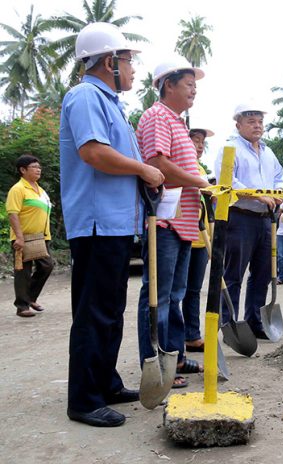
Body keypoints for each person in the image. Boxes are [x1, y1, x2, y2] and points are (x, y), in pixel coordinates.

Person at [59, 22, 165, 427]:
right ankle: (84, 399)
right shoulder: (86, 96)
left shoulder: (110, 103)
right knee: (95, 312)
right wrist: (144, 169)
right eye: (128, 61)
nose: (134, 70)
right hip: (98, 223)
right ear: (109, 62)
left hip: (117, 224)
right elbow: (93, 153)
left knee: (110, 310)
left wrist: (143, 176)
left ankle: (105, 382)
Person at [136, 57, 208, 387]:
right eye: (188, 84)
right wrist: (202, 183)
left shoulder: (177, 122)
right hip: (165, 221)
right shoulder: (156, 117)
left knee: (174, 295)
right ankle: (155, 363)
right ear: (169, 85)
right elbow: (156, 163)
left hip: (184, 222)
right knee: (158, 295)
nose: (194, 90)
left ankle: (174, 356)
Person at [213, 102, 283, 339]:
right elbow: (228, 181)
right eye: (251, 121)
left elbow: (279, 177)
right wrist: (258, 194)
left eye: (260, 121)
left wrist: (278, 191)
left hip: (266, 219)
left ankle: (255, 322)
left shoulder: (268, 151)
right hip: (240, 218)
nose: (257, 126)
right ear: (238, 124)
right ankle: (229, 324)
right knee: (233, 274)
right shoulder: (229, 148)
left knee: (262, 274)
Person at [6, 154, 54, 317]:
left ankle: (30, 297)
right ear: (23, 170)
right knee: (23, 271)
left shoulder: (40, 190)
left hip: (41, 237)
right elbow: (13, 213)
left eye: (39, 167)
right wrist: (19, 237)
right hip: (24, 237)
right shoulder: (18, 189)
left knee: (47, 265)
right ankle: (22, 306)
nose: (38, 169)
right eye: (34, 167)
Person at [181, 128, 215, 354]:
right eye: (195, 140)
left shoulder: (201, 168)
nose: (200, 145)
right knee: (178, 291)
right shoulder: (182, 167)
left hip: (203, 239)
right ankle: (175, 338)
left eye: (202, 142)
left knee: (193, 289)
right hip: (185, 235)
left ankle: (192, 336)